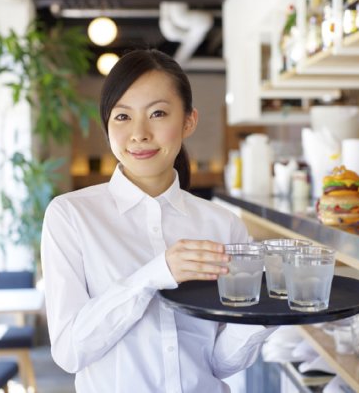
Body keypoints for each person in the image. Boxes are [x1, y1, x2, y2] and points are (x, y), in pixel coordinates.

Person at [41, 49, 275, 393]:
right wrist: (155, 274)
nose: (139, 133)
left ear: (188, 121)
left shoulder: (223, 225)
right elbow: (70, 352)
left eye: (158, 113)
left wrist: (267, 312)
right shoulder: (72, 216)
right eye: (122, 117)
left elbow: (219, 363)